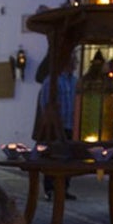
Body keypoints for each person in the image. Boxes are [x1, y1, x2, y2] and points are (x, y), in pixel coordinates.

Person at [33, 52, 78, 200]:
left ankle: (64, 188)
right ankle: (50, 188)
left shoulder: (75, 81)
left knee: (69, 157)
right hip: (55, 125)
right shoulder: (52, 81)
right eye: (73, 61)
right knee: (53, 156)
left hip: (71, 125)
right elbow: (46, 102)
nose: (75, 64)